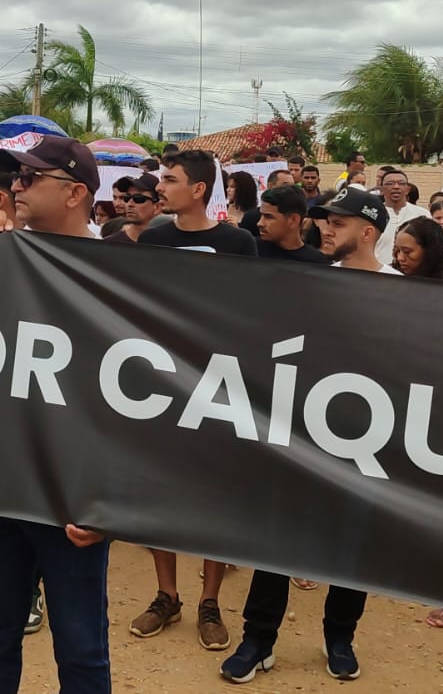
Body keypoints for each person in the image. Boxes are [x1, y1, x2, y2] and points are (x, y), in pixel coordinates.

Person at [224, 186, 391, 684]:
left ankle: (340, 637)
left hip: (366, 439)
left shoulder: (405, 292)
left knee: (351, 546)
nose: (326, 229)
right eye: (325, 221)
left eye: (338, 223)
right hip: (301, 431)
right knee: (278, 538)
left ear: (368, 232)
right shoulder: (312, 280)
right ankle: (258, 640)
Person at [0, 136, 113, 692]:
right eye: (15, 178)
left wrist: (111, 500)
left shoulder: (124, 275)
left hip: (72, 498)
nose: (16, 188)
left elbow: (143, 403)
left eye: (30, 178)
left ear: (75, 193)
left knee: (81, 650)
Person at [128, 149, 254, 652]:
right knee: (159, 489)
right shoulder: (153, 240)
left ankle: (210, 601)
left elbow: (252, 312)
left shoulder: (238, 243)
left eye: (170, 179)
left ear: (198, 189)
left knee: (213, 494)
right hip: (161, 384)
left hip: (219, 385)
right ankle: (167, 595)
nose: (159, 187)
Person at [256, 184, 332, 263]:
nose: (260, 223)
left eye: (268, 217)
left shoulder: (317, 263)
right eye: (261, 215)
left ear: (293, 220)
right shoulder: (252, 250)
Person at [373, 169, 430, 262]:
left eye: (401, 183)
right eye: (390, 183)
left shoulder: (422, 215)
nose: (396, 187)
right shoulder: (372, 214)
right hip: (379, 269)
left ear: (407, 189)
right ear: (382, 189)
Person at [105, 174, 161, 245]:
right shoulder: (110, 244)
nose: (129, 204)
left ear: (157, 207)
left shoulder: (169, 244)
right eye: (127, 198)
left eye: (138, 198)